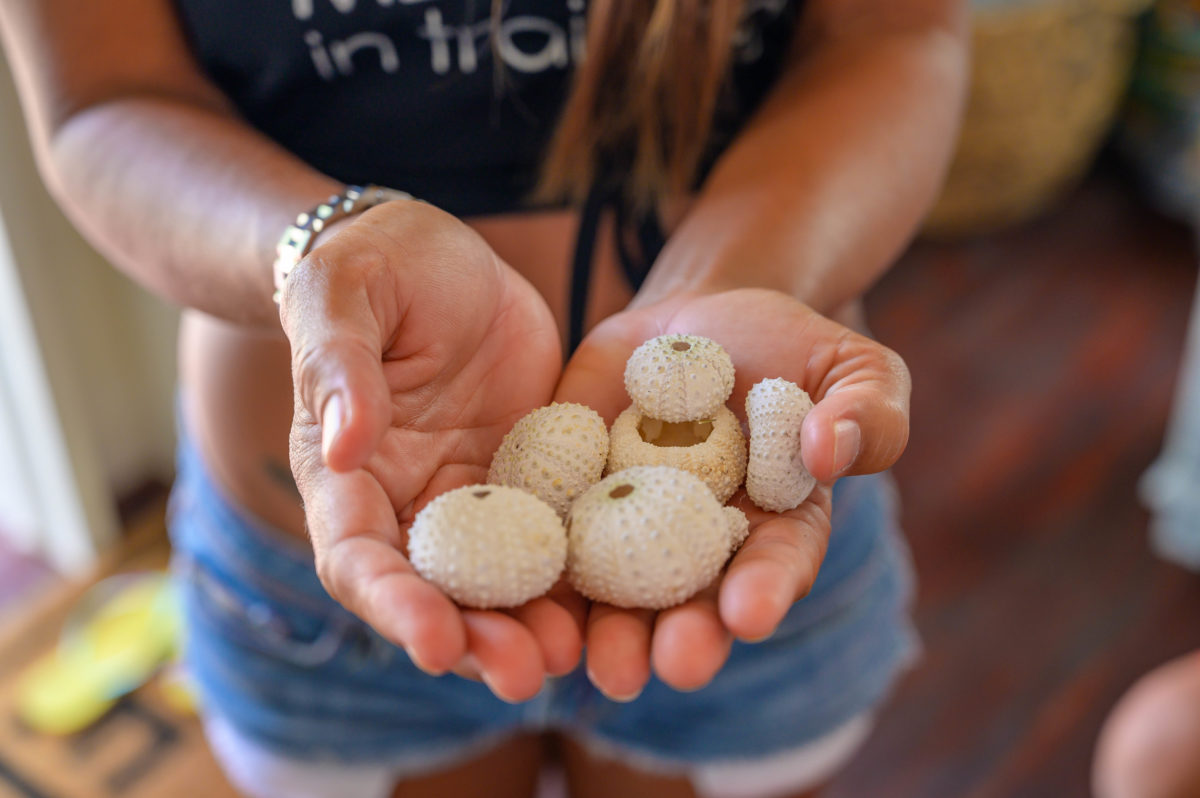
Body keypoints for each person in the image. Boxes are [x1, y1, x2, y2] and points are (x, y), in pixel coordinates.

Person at [0, 1, 968, 796]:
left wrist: (726, 280)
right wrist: (328, 247)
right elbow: (102, 102)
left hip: (742, 549)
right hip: (321, 595)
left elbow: (894, 36)